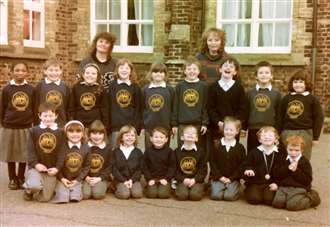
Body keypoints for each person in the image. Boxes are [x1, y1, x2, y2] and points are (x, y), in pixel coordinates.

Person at [0, 61, 35, 190]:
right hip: (10, 126)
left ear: (27, 73)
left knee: (23, 154)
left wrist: (33, 123)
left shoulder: (31, 89)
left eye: (23, 70)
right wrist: (3, 123)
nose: (20, 73)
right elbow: (2, 107)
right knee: (11, 154)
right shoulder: (7, 89)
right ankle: (12, 178)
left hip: (26, 126)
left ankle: (21, 177)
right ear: (12, 72)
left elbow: (34, 106)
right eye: (17, 70)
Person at [23, 102, 65, 202]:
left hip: (51, 170)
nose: (48, 118)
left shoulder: (60, 132)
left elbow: (62, 152)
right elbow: (30, 151)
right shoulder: (33, 131)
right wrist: (36, 164)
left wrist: (57, 168)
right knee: (34, 186)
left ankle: (41, 185)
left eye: (51, 116)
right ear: (39, 116)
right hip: (36, 168)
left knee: (44, 198)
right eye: (45, 116)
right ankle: (29, 189)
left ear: (56, 116)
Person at [280, 70, 324, 160]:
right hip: (288, 131)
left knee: (303, 158)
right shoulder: (286, 98)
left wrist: (316, 137)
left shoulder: (312, 99)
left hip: (305, 132)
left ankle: (303, 174)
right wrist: (278, 133)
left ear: (306, 84)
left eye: (301, 82)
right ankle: (287, 174)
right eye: (295, 82)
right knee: (286, 157)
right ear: (292, 83)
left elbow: (318, 118)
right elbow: (279, 117)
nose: (298, 84)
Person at [272, 135, 321, 211]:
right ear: (286, 149)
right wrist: (287, 168)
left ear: (302, 150)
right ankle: (291, 198)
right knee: (277, 203)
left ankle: (312, 198)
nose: (293, 153)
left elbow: (307, 180)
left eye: (296, 150)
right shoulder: (283, 160)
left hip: (299, 187)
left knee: (292, 206)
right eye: (290, 150)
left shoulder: (304, 162)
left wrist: (296, 171)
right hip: (284, 186)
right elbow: (277, 174)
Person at [207, 56, 248, 142]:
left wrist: (234, 123)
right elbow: (210, 108)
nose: (228, 68)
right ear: (220, 69)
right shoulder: (213, 87)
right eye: (225, 66)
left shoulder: (239, 88)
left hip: (232, 129)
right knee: (216, 151)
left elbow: (242, 109)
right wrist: (218, 122)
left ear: (235, 72)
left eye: (231, 66)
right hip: (216, 127)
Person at [172, 57, 209, 149]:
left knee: (198, 149)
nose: (191, 71)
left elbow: (205, 106)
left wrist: (205, 123)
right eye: (189, 69)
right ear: (184, 71)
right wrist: (174, 124)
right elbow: (175, 105)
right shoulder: (180, 86)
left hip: (198, 123)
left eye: (194, 69)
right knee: (182, 148)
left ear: (199, 71)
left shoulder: (203, 86)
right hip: (182, 124)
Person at [51, 120, 91, 203]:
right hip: (63, 178)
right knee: (62, 198)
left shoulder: (86, 148)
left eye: (78, 131)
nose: (75, 134)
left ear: (83, 133)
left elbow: (87, 166)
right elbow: (57, 165)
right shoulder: (62, 147)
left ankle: (75, 190)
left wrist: (78, 180)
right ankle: (59, 189)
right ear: (66, 134)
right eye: (71, 131)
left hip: (77, 179)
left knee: (75, 198)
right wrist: (61, 178)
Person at [247, 61, 281, 153]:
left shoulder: (276, 94)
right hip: (254, 129)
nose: (264, 75)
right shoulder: (250, 93)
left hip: (270, 130)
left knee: (269, 154)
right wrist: (244, 127)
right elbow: (246, 110)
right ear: (256, 76)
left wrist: (277, 130)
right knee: (253, 154)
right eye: (261, 73)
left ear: (271, 76)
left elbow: (279, 114)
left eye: (267, 73)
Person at [242, 126, 282, 205]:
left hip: (271, 183)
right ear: (259, 140)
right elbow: (246, 164)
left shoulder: (279, 153)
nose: (267, 138)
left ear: (276, 139)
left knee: (269, 200)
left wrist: (277, 183)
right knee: (254, 199)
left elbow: (282, 170)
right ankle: (249, 190)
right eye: (264, 136)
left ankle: (265, 193)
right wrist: (248, 169)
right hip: (255, 182)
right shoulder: (254, 152)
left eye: (270, 136)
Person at [107, 58, 142, 147]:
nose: (124, 70)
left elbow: (139, 108)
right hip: (115, 127)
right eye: (121, 68)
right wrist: (108, 126)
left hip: (130, 127)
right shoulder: (112, 86)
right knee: (115, 152)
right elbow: (108, 107)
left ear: (131, 71)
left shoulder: (135, 87)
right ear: (117, 70)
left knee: (130, 152)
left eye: (127, 68)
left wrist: (136, 127)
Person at [210, 117, 246, 201]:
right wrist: (219, 177)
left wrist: (232, 178)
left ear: (237, 131)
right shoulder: (216, 145)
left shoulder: (240, 148)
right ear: (223, 130)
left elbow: (242, 165)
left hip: (232, 178)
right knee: (216, 196)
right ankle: (217, 185)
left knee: (228, 197)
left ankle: (234, 187)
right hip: (219, 177)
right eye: (226, 129)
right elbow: (212, 162)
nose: (228, 132)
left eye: (231, 130)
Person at [141, 62, 175, 148]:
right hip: (149, 126)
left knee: (164, 152)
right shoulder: (145, 90)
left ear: (165, 74)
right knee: (149, 150)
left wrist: (174, 125)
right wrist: (142, 126)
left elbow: (173, 108)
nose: (158, 74)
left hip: (165, 126)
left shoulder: (170, 90)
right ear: (151, 74)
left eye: (161, 72)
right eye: (155, 72)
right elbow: (142, 109)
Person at [69, 63, 108, 128]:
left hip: (95, 123)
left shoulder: (101, 89)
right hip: (80, 122)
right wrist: (72, 121)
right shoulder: (76, 88)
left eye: (93, 74)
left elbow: (104, 108)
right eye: (87, 73)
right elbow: (71, 107)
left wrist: (105, 124)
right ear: (83, 75)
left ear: (97, 76)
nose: (90, 75)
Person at [174, 125, 207, 201]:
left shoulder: (201, 152)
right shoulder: (177, 151)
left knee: (195, 196)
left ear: (196, 138)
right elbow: (174, 169)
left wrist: (195, 180)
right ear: (182, 137)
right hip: (182, 179)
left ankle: (202, 187)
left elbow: (203, 169)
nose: (190, 134)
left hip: (195, 180)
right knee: (182, 196)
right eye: (187, 133)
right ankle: (178, 187)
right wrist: (183, 179)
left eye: (193, 133)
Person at [34, 58, 70, 127]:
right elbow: (36, 105)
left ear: (61, 71)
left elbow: (68, 107)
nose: (54, 73)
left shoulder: (65, 87)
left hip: (60, 124)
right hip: (43, 123)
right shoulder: (40, 86)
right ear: (45, 71)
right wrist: (36, 122)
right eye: (50, 70)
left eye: (56, 70)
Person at [142, 127, 175, 199]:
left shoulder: (169, 152)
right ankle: (148, 187)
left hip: (164, 179)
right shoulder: (148, 151)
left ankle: (168, 187)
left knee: (163, 195)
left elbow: (172, 167)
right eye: (156, 137)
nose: (158, 139)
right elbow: (144, 167)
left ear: (166, 139)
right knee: (152, 195)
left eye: (161, 137)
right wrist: (149, 179)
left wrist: (167, 179)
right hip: (152, 178)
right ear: (151, 139)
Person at [112, 125, 143, 199]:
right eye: (127, 135)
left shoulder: (138, 152)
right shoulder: (116, 152)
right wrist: (124, 181)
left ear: (135, 138)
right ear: (121, 138)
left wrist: (132, 180)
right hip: (120, 180)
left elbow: (140, 169)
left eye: (132, 135)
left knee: (137, 194)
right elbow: (114, 169)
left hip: (134, 179)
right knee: (124, 195)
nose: (130, 138)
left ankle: (131, 187)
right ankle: (115, 187)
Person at [83, 120, 112, 200]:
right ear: (89, 134)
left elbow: (109, 166)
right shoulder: (85, 147)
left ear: (104, 134)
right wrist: (86, 177)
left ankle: (107, 185)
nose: (97, 136)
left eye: (100, 134)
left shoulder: (107, 148)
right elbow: (81, 165)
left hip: (100, 178)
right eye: (94, 133)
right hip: (87, 177)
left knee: (97, 195)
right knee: (85, 195)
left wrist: (99, 178)